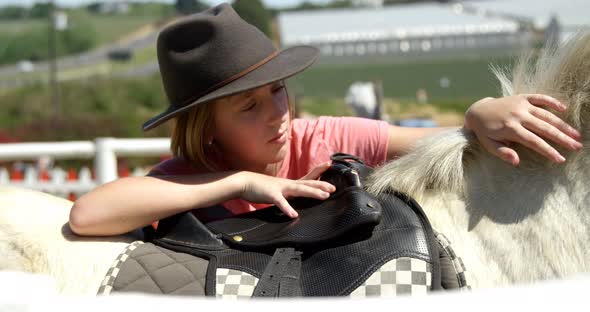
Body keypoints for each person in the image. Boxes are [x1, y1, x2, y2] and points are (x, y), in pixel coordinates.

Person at [69, 3, 582, 237]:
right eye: (249, 106)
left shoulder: (326, 136)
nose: (279, 115)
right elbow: (87, 215)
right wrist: (244, 181)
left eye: (278, 91)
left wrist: (477, 113)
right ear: (206, 129)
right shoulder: (187, 176)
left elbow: (445, 141)